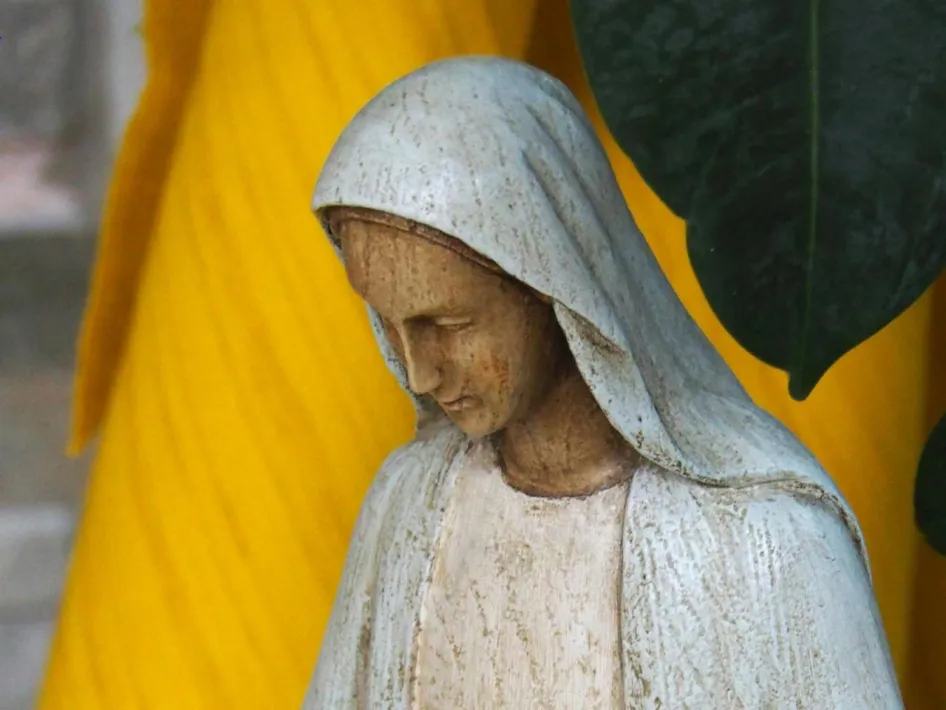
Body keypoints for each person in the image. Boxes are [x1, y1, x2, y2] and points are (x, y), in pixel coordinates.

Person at [303, 56, 902, 708]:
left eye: (450, 321)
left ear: (553, 283)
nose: (420, 371)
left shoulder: (767, 540)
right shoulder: (405, 507)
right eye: (388, 324)